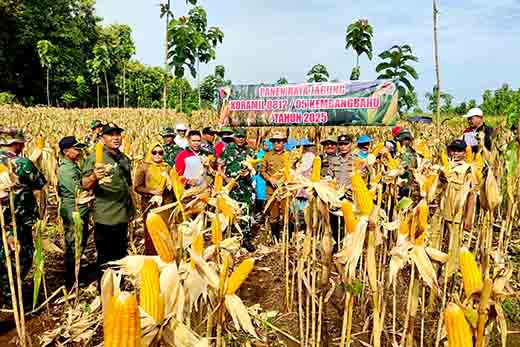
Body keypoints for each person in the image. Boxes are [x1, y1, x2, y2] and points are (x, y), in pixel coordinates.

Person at [82, 122, 134, 286]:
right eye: (111, 135)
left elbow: (128, 186)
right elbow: (85, 184)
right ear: (102, 139)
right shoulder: (95, 158)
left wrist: (133, 209)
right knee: (105, 256)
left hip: (122, 215)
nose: (116, 137)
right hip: (106, 215)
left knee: (121, 253)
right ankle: (105, 289)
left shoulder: (124, 158)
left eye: (118, 134)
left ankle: (119, 286)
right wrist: (94, 178)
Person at [0, 128, 46, 306]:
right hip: (16, 219)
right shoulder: (22, 163)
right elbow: (39, 183)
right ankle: (10, 296)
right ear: (16, 144)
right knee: (21, 255)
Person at [57, 136, 90, 290]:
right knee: (73, 243)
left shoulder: (73, 165)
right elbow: (78, 191)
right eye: (76, 149)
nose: (79, 152)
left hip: (78, 210)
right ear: (66, 151)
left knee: (80, 240)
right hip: (73, 210)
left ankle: (76, 274)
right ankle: (71, 279)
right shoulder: (65, 169)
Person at [218, 128, 256, 252]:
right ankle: (229, 238)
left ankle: (246, 238)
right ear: (234, 137)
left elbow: (254, 169)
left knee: (246, 211)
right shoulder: (227, 150)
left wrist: (248, 173)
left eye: (242, 137)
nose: (240, 139)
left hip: (245, 187)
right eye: (238, 136)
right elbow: (219, 168)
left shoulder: (250, 151)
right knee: (229, 211)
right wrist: (227, 178)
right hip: (231, 188)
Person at [134, 142, 174, 255]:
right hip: (150, 205)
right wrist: (153, 192)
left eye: (160, 153)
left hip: (165, 204)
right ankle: (152, 255)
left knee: (165, 231)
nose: (157, 155)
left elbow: (172, 184)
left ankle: (165, 255)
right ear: (150, 153)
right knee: (152, 233)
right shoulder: (144, 166)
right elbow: (137, 187)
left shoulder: (166, 167)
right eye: (154, 152)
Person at [261, 132, 288, 242]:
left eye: (279, 141)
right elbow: (262, 171)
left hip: (286, 190)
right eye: (274, 142)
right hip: (271, 190)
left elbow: (294, 170)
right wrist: (269, 179)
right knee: (274, 215)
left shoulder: (289, 155)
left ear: (284, 143)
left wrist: (286, 180)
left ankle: (288, 238)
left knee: (287, 214)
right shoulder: (267, 155)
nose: (277, 144)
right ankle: (275, 239)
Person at [254, 140, 272, 226]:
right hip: (260, 180)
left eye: (267, 145)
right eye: (264, 144)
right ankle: (259, 217)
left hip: (269, 180)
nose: (265, 146)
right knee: (259, 198)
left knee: (269, 199)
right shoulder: (258, 154)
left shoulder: (272, 155)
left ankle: (268, 218)